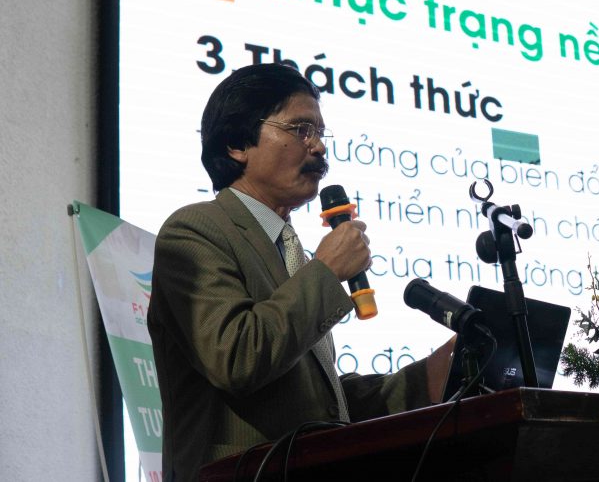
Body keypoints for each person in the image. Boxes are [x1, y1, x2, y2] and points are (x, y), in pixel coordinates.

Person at [147, 63, 452, 481]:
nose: (319, 148)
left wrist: (429, 377)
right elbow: (236, 358)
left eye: (320, 133)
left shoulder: (290, 254)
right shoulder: (194, 230)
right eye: (300, 129)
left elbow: (316, 409)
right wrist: (326, 271)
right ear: (237, 143)